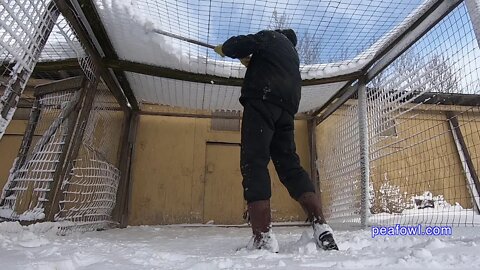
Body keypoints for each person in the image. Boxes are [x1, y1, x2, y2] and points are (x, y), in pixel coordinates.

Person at [214, 29, 338, 252]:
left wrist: (225, 48)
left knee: (255, 161)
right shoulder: (292, 56)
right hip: (286, 110)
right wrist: (251, 63)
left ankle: (263, 237)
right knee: (289, 165)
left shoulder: (271, 37)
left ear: (281, 33)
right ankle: (321, 225)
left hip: (262, 100)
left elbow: (243, 43)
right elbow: (271, 69)